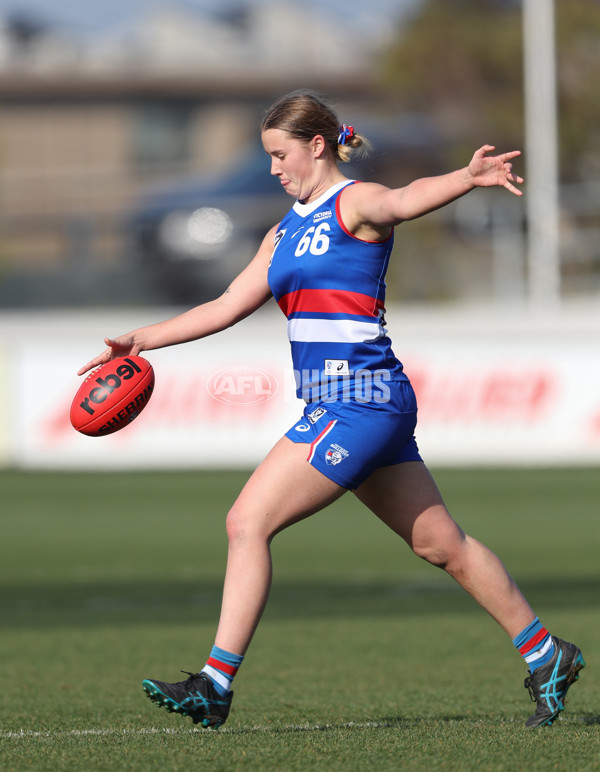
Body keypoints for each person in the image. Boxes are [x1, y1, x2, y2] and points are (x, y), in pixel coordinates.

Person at [78, 90, 584, 730]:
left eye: (279, 154)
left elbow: (404, 200)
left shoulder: (355, 203)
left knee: (247, 522)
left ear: (317, 145)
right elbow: (227, 305)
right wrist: (143, 339)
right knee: (441, 544)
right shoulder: (283, 230)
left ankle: (214, 683)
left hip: (358, 400)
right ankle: (547, 654)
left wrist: (466, 176)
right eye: (267, 156)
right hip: (358, 402)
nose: (273, 168)